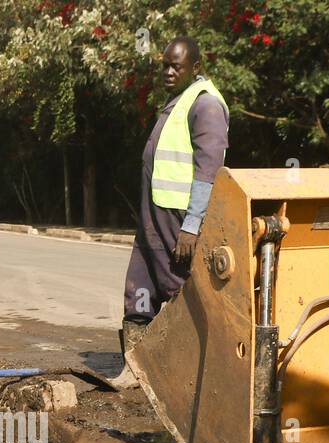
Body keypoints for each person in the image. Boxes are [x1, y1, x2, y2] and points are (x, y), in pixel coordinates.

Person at [115, 36, 230, 387]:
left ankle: (194, 376)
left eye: (175, 66)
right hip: (154, 215)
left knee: (180, 290)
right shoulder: (177, 101)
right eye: (164, 64)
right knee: (140, 288)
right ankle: (134, 370)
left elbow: (209, 170)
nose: (167, 71)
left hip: (178, 219)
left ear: (196, 67)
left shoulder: (206, 104)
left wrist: (192, 226)